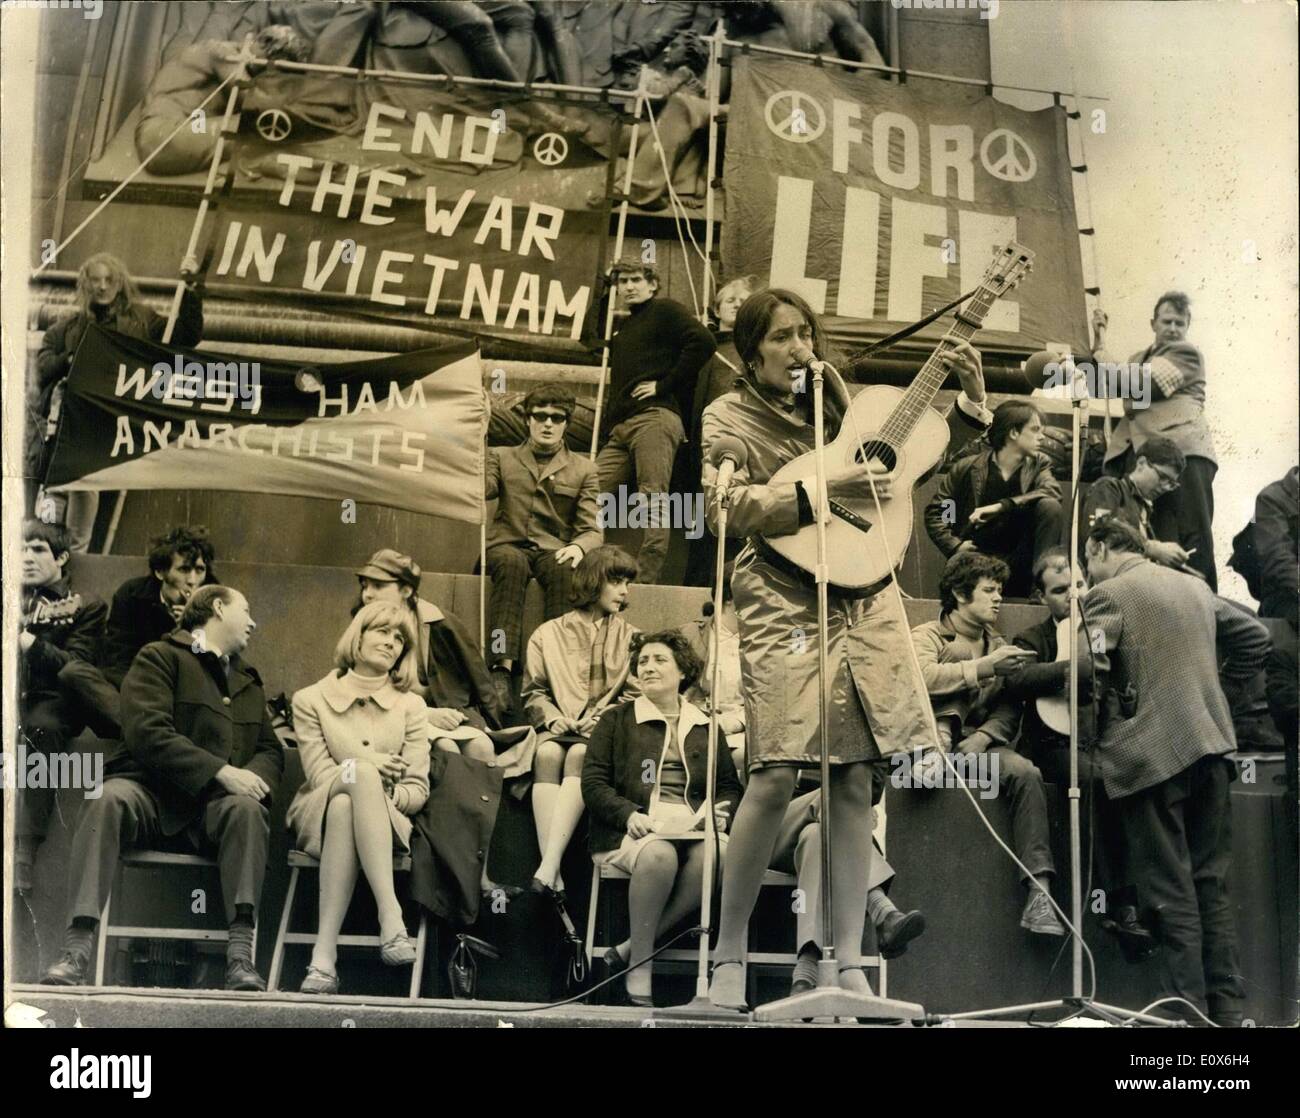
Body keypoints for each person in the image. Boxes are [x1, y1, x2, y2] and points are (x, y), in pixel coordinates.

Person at [702, 288, 992, 1011]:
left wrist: (974, 400)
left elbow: (947, 475)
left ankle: (849, 966)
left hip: (862, 586)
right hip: (778, 588)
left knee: (858, 778)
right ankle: (727, 964)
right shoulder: (727, 416)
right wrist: (827, 484)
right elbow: (723, 509)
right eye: (781, 337)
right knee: (772, 773)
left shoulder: (844, 403)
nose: (800, 348)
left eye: (807, 333)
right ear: (751, 351)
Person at [42, 586, 284, 990]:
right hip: (148, 795)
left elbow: (269, 750)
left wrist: (249, 780)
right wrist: (221, 772)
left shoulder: (246, 680)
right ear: (219, 608)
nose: (253, 622)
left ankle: (241, 959)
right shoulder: (159, 657)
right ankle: (76, 950)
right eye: (247, 610)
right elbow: (147, 732)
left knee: (247, 811)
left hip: (212, 810)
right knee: (106, 799)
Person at [1081, 519, 1269, 1026]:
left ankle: (1182, 1014)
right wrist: (1214, 692)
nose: (1087, 571)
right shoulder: (1194, 586)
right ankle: (1226, 1012)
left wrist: (1107, 730)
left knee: (1169, 892)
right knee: (1212, 885)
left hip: (1154, 757)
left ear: (1098, 547)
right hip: (1212, 747)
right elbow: (1255, 636)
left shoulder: (1106, 595)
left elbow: (1088, 674)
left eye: (1087, 559)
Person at [1001, 548, 1154, 959]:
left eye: (1080, 585)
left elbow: (1118, 685)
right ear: (1040, 598)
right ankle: (1119, 904)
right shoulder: (1033, 637)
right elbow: (1016, 679)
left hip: (1099, 742)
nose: (1073, 597)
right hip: (1052, 746)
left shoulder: (1101, 631)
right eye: (1059, 590)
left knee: (1129, 780)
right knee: (1093, 779)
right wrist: (1071, 670)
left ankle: (1132, 908)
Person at [582, 630, 743, 1006]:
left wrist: (717, 814)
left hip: (691, 828)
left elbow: (729, 788)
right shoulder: (616, 720)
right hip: (633, 830)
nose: (649, 667)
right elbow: (593, 783)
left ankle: (633, 946)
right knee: (659, 855)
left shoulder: (705, 724)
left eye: (660, 660)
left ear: (682, 671)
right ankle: (639, 964)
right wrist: (629, 814)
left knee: (718, 854)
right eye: (643, 662)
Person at [910, 551, 1065, 936]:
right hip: (919, 755)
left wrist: (983, 737)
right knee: (960, 655)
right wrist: (984, 668)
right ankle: (938, 745)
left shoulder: (1000, 644)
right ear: (961, 595)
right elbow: (918, 680)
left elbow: (1011, 707)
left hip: (970, 756)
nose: (999, 598)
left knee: (1026, 772)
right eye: (989, 590)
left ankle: (1039, 895)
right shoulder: (927, 635)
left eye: (999, 591)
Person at [353, 548, 516, 897]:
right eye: (365, 585)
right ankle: (446, 869)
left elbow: (478, 676)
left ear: (407, 590)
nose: (367, 594)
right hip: (386, 719)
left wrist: (489, 722)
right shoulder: (361, 625)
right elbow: (357, 690)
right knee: (443, 749)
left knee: (482, 746)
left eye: (378, 586)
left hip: (445, 713)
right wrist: (424, 715)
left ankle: (479, 868)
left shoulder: (439, 623)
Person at [287, 602, 431, 994]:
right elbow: (319, 776)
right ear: (359, 635)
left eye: (400, 638)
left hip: (387, 821)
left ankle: (323, 958)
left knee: (347, 805)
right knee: (350, 785)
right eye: (382, 631)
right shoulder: (310, 699)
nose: (391, 642)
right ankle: (391, 916)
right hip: (316, 809)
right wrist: (366, 768)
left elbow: (417, 790)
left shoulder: (411, 706)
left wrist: (378, 798)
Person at [33, 254, 203, 551]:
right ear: (85, 284)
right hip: (71, 426)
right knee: (56, 501)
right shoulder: (70, 327)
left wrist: (190, 287)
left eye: (109, 280)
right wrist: (70, 359)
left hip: (113, 425)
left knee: (85, 497)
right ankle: (53, 561)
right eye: (95, 280)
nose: (102, 286)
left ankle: (74, 563)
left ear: (120, 283)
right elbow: (43, 365)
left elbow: (186, 335)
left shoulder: (142, 320)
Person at [523, 546, 639, 902]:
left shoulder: (631, 636)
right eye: (616, 581)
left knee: (578, 756)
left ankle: (549, 865)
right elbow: (533, 692)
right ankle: (550, 869)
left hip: (603, 736)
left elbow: (634, 695)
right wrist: (553, 717)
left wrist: (602, 721)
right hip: (558, 729)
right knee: (545, 755)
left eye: (627, 583)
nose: (624, 591)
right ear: (593, 582)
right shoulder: (547, 634)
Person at [595, 256, 717, 584]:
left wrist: (664, 385)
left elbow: (704, 341)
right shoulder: (623, 327)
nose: (629, 286)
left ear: (652, 284)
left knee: (653, 496)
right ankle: (587, 565)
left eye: (636, 279)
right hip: (621, 427)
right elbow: (591, 339)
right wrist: (604, 289)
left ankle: (646, 577)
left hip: (655, 417)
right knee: (590, 490)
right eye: (622, 281)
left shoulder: (664, 310)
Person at [485, 384, 603, 708]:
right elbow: (481, 489)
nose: (548, 423)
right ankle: (500, 670)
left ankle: (554, 671)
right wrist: (476, 436)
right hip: (507, 545)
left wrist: (579, 548)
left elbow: (592, 528)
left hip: (554, 549)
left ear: (566, 422)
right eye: (540, 416)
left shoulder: (585, 469)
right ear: (528, 419)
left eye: (557, 417)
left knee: (567, 569)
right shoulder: (501, 455)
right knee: (511, 564)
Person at [1095, 293, 1219, 587]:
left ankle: (1205, 600)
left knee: (1191, 533)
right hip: (1148, 456)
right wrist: (1100, 345)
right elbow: (1113, 379)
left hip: (1185, 455)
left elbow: (1136, 383)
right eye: (1167, 321)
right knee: (1157, 534)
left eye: (1180, 323)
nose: (1174, 329)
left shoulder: (1186, 353)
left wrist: (1101, 354)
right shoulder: (1137, 359)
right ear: (1153, 323)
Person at [14, 521, 110, 894]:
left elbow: (75, 666)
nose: (26, 558)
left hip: (50, 699)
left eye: (37, 549)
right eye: (20, 549)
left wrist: (25, 640)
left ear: (62, 557)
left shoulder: (85, 607)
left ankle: (24, 850)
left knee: (43, 727)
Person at [771, 787, 926, 995]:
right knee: (836, 798)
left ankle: (805, 974)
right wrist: (860, 808)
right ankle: (882, 911)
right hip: (775, 824)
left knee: (816, 834)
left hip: (822, 834)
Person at [924, 400, 1063, 598]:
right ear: (1013, 433)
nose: (1042, 437)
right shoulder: (966, 468)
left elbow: (1052, 491)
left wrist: (1002, 506)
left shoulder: (1038, 464)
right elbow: (943, 510)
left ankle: (1041, 588)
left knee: (1050, 507)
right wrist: (955, 544)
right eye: (1035, 430)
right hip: (977, 562)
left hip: (1022, 564)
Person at [134, 25, 310, 175]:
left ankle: (259, 162)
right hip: (163, 138)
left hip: (179, 134)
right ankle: (263, 163)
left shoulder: (231, 60)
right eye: (271, 67)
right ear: (264, 43)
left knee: (270, 124)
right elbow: (253, 102)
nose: (268, 76)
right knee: (269, 121)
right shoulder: (220, 52)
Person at [101, 525, 217, 687]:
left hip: (186, 689)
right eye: (184, 569)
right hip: (137, 684)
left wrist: (191, 628)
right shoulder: (132, 594)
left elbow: (215, 668)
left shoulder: (215, 601)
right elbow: (118, 657)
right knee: (77, 674)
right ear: (160, 572)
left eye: (199, 570)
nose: (192, 580)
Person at [1082, 436, 1192, 569]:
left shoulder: (1144, 508)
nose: (1165, 488)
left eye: (1171, 484)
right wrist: (1153, 549)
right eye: (1162, 477)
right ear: (1141, 463)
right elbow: (1098, 534)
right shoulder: (1109, 487)